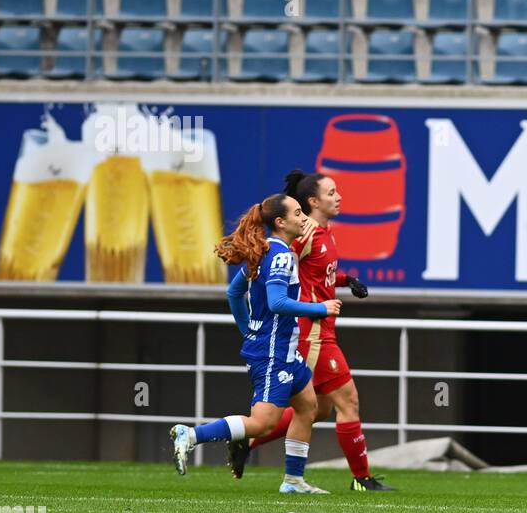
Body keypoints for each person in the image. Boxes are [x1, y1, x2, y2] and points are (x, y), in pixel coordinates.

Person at [226, 171, 395, 492]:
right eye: (332, 192)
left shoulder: (324, 234)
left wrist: (345, 281)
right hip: (311, 332)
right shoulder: (303, 235)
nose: (339, 197)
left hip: (321, 329)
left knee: (318, 408)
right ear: (314, 201)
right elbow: (275, 267)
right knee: (349, 402)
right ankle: (361, 480)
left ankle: (250, 443)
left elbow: (317, 272)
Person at [169, 194, 338, 495]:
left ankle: (294, 481)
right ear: (280, 222)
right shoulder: (282, 256)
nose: (304, 218)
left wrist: (249, 329)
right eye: (298, 213)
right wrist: (320, 309)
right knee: (262, 424)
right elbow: (277, 302)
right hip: (274, 353)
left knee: (308, 405)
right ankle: (191, 434)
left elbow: (234, 294)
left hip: (282, 349)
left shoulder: (263, 252)